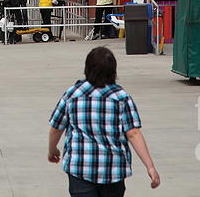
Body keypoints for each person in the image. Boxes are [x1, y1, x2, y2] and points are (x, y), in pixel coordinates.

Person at [48, 46, 161, 196]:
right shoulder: (121, 97)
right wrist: (150, 166)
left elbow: (56, 127)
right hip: (112, 172)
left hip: (80, 169)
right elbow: (133, 133)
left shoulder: (72, 94)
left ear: (87, 68)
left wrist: (52, 150)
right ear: (113, 71)